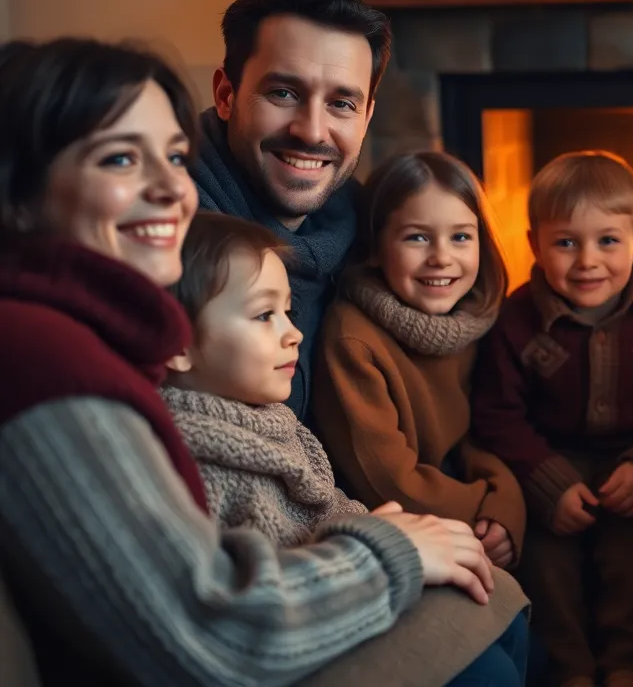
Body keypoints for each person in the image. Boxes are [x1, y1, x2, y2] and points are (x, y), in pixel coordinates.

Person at [0, 38, 529, 687]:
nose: (173, 188)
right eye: (119, 159)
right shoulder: (46, 363)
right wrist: (392, 550)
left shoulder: (93, 341)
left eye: (173, 156)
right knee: (483, 640)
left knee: (491, 599)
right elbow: (210, 627)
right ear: (16, 192)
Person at [471, 150, 633, 687]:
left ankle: (628, 666)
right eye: (566, 242)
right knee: (545, 559)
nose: (587, 260)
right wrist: (549, 483)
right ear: (534, 246)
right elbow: (497, 415)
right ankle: (569, 670)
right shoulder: (515, 322)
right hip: (548, 465)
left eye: (608, 241)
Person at [313, 151, 526, 569]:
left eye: (461, 237)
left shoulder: (473, 324)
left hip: (459, 511)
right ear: (375, 249)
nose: (441, 257)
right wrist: (482, 508)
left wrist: (506, 501)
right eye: (417, 237)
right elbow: (389, 482)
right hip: (397, 533)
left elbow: (476, 434)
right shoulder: (353, 342)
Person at [192, 0, 388, 423]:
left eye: (342, 104)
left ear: (367, 115)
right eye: (283, 93)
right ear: (226, 94)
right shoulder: (171, 237)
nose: (312, 131)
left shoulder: (367, 227)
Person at [160, 211, 370, 544]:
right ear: (179, 344)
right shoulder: (198, 471)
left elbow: (329, 508)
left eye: (287, 312)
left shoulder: (273, 422)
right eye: (263, 314)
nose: (294, 334)